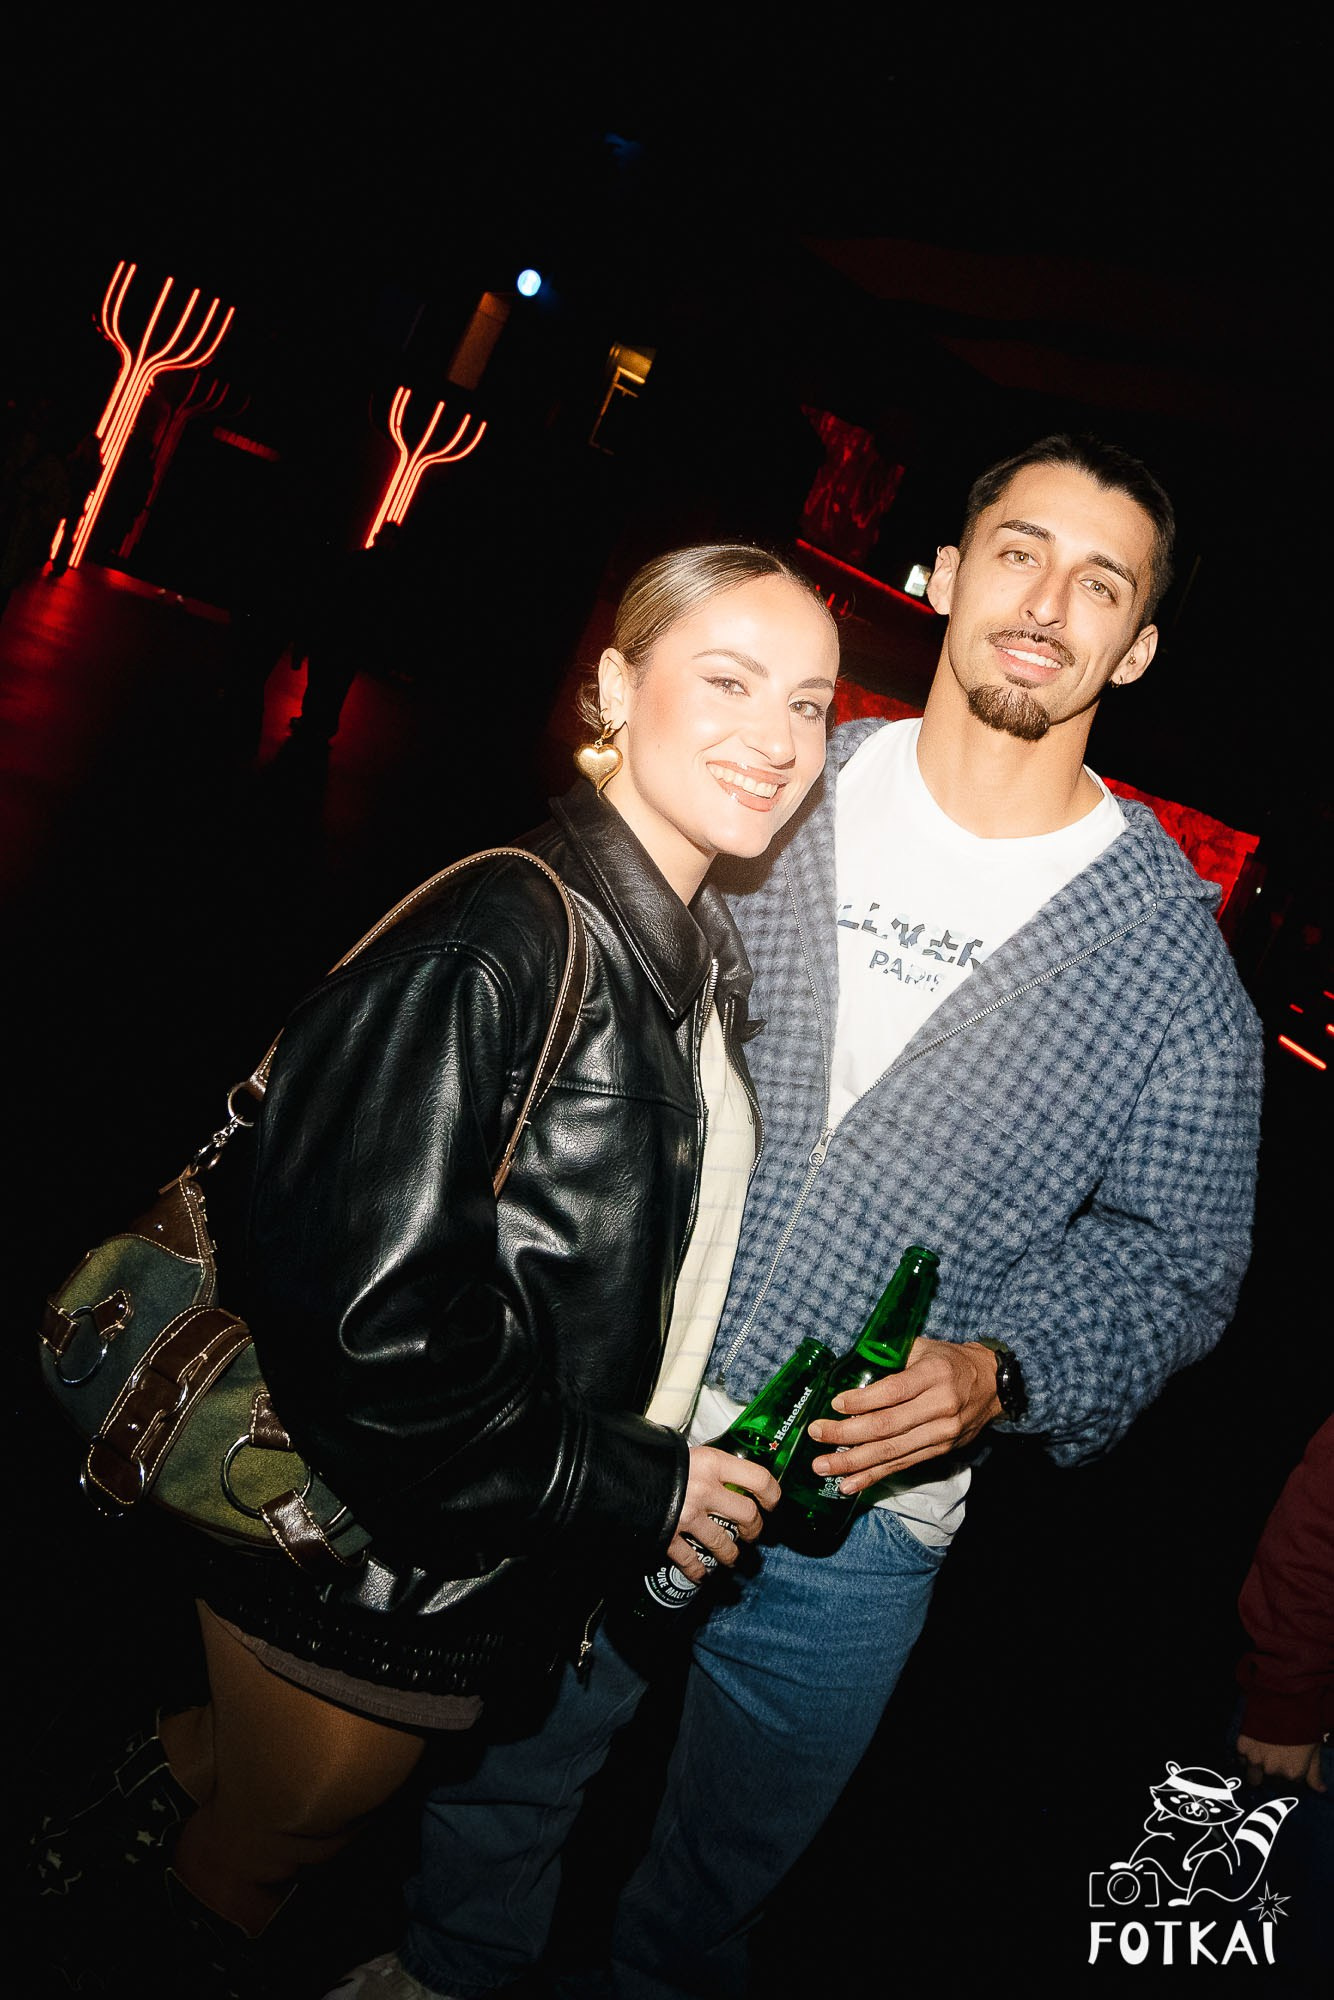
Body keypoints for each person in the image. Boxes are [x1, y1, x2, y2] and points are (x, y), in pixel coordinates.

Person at [330, 434, 1264, 2000]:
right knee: (499, 1781)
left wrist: (1003, 1371)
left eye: (1099, 585)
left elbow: (1179, 1264)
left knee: (717, 1890)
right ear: (945, 576)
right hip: (622, 1436)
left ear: (1136, 648)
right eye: (1017, 553)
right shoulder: (778, 782)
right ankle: (441, 1974)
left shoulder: (1164, 959)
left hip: (861, 1526)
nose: (1047, 604)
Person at [29, 543, 839, 1993]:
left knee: (234, 1779)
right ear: (615, 687)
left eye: (810, 704)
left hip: (454, 1547)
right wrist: (640, 1486)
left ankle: (56, 1857)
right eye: (728, 681)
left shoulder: (681, 953)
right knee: (268, 1850)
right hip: (361, 1551)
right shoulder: (504, 936)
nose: (776, 739)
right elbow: (372, 1339)